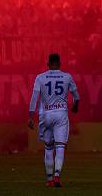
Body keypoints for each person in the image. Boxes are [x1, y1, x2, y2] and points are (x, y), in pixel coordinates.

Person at [28, 53, 80, 188]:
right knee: (60, 146)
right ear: (60, 63)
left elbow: (34, 98)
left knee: (48, 148)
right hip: (61, 114)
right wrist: (75, 106)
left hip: (45, 115)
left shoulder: (40, 77)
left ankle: (49, 179)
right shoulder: (67, 77)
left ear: (48, 64)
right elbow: (76, 96)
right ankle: (57, 176)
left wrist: (30, 116)